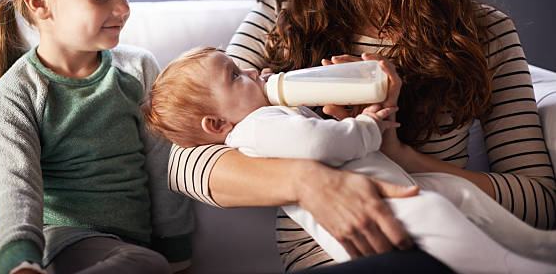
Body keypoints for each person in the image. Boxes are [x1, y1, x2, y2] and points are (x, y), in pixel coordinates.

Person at [168, 0, 556, 272]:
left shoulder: (484, 32)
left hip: (438, 244)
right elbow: (183, 160)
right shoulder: (282, 16)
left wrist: (395, 152)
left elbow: (541, 202)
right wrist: (312, 182)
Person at [148, 46, 556, 273]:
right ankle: (513, 265)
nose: (254, 70)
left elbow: (540, 195)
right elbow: (314, 145)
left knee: (458, 193)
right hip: (375, 223)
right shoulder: (254, 127)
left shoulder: (262, 117)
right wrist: (365, 127)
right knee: (436, 211)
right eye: (237, 74)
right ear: (217, 124)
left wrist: (392, 148)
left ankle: (536, 246)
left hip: (398, 183)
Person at [0, 0, 193, 274]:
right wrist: (20, 262)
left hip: (123, 252)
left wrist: (177, 251)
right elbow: (16, 193)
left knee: (145, 262)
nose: (123, 9)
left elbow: (164, 169)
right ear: (39, 3)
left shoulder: (139, 71)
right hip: (49, 246)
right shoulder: (17, 93)